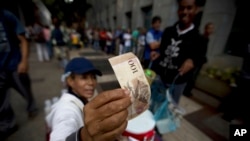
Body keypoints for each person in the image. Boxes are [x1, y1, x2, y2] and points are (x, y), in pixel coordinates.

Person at [46, 57, 132, 141]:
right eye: (84, 77)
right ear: (70, 81)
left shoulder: (81, 99)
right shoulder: (66, 110)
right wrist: (82, 137)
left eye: (93, 77)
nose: (91, 82)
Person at [151, 0, 207, 104]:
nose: (185, 12)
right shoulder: (168, 31)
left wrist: (192, 61)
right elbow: (163, 50)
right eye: (182, 8)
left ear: (196, 9)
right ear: (178, 10)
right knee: (154, 103)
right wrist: (158, 54)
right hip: (160, 78)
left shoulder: (199, 38)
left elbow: (202, 58)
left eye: (189, 8)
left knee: (169, 109)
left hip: (177, 83)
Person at [0, 9, 38, 139]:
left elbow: (23, 40)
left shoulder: (6, 16)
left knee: (25, 89)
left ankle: (31, 107)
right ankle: (8, 125)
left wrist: (24, 61)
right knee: (2, 100)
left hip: (15, 64)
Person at [183, 22, 214, 97]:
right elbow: (198, 51)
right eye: (210, 28)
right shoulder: (202, 38)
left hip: (199, 62)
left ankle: (187, 90)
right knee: (192, 76)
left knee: (193, 76)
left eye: (212, 28)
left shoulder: (206, 38)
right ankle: (186, 91)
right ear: (206, 29)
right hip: (196, 61)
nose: (211, 30)